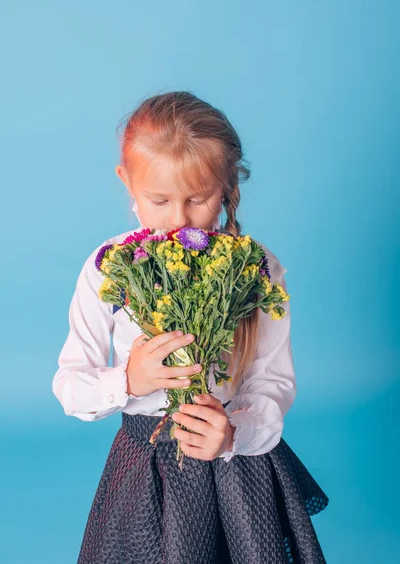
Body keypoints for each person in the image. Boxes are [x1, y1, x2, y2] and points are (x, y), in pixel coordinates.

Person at [52, 91, 329, 564]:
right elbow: (69, 385)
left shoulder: (256, 269)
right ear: (128, 184)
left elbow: (272, 381)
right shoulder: (108, 268)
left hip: (238, 470)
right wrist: (128, 380)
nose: (178, 221)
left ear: (225, 188)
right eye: (158, 200)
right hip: (147, 470)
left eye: (199, 200)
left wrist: (234, 436)